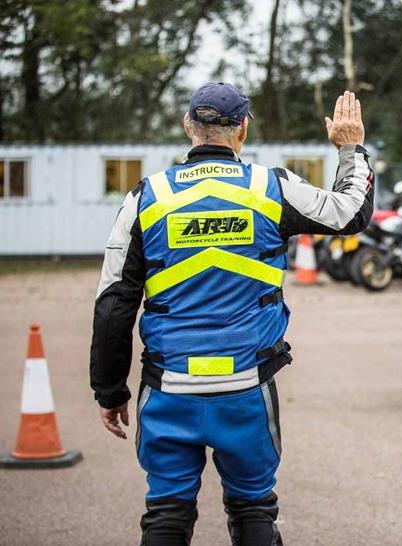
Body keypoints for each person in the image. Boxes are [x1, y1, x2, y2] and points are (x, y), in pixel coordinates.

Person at [89, 83, 373, 546]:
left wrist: (109, 389)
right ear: (243, 128)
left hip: (168, 391)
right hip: (245, 391)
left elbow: (114, 305)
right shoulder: (272, 187)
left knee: (165, 515)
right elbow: (351, 213)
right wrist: (349, 148)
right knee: (253, 510)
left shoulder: (146, 197)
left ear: (188, 128)